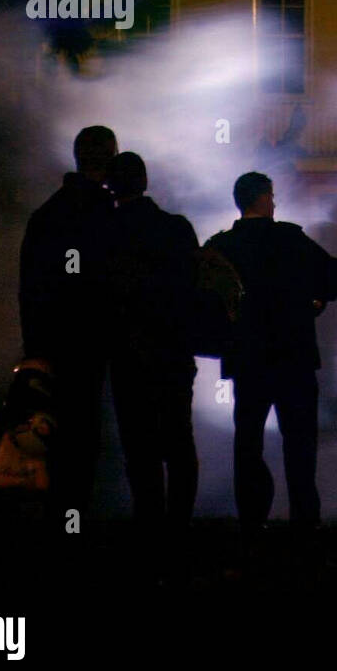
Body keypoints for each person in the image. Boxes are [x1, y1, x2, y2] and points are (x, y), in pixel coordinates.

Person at [205, 173, 337, 547]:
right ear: (264, 199)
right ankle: (305, 521)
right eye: (272, 195)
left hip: (248, 362)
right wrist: (315, 300)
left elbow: (207, 301)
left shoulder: (221, 247)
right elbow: (334, 276)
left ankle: (252, 520)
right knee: (300, 442)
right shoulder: (290, 239)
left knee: (248, 442)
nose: (275, 202)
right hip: (293, 357)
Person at [103, 152, 200, 574]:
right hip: (174, 353)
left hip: (129, 357)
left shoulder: (105, 232)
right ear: (145, 180)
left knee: (140, 448)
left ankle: (150, 531)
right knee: (178, 443)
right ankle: (178, 532)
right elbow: (197, 288)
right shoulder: (177, 229)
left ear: (113, 186)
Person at [18, 125, 118, 524]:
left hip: (57, 343)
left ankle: (63, 520)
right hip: (102, 342)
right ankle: (85, 519)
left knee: (60, 434)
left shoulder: (46, 215)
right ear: (110, 158)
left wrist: (36, 349)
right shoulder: (108, 214)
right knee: (95, 435)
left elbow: (31, 287)